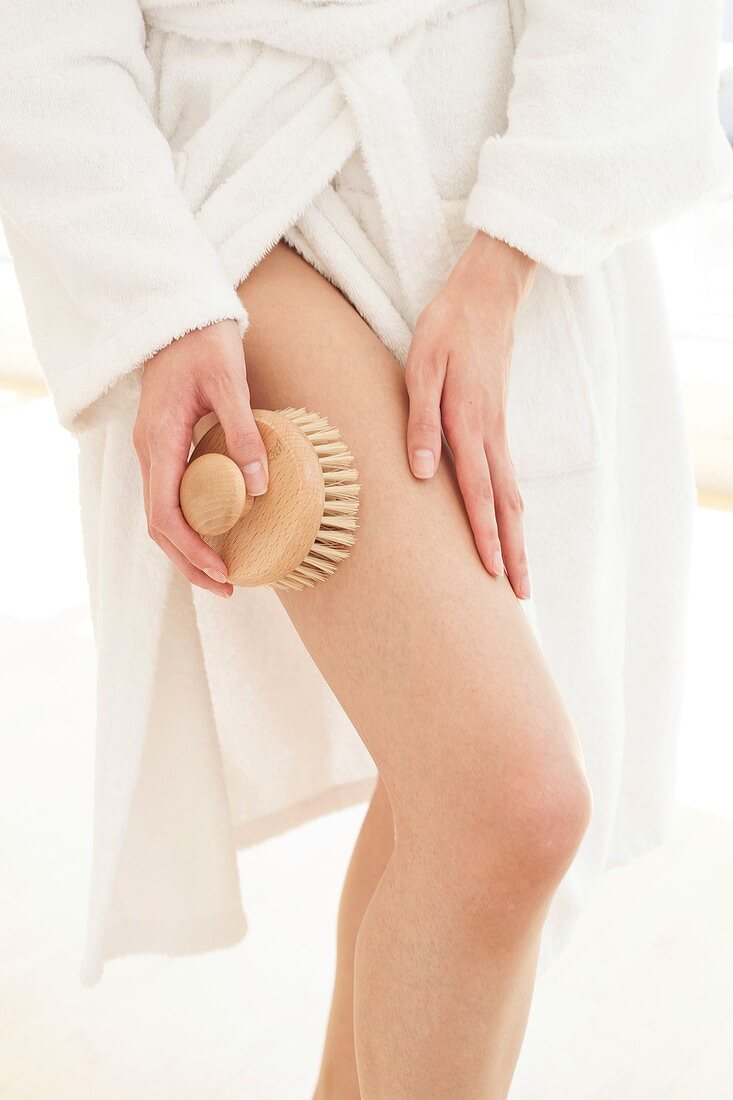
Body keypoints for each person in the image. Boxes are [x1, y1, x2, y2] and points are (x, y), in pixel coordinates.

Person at [1, 1, 730, 1096]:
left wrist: (511, 248)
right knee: (509, 804)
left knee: (436, 803)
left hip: (494, 176)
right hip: (246, 201)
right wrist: (154, 295)